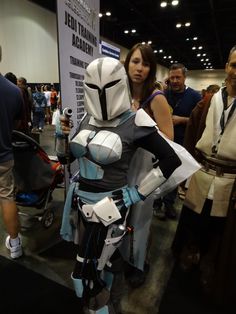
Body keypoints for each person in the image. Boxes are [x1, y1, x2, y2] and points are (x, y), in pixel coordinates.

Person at [57, 57, 181, 314]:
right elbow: (66, 159)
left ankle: (100, 306)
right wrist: (60, 135)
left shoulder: (135, 120)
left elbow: (171, 159)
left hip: (112, 206)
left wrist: (134, 195)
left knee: (85, 272)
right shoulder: (85, 118)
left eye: (108, 86)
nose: (101, 94)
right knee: (105, 260)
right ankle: (109, 300)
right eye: (93, 87)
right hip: (81, 203)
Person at [171, 45, 236, 307]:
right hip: (202, 174)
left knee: (220, 231)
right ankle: (191, 253)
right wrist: (186, 172)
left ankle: (210, 263)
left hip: (230, 183)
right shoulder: (210, 100)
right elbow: (191, 137)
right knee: (193, 221)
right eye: (234, 65)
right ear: (227, 66)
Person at [121, 43, 174, 288]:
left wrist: (142, 126)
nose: (139, 68)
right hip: (120, 164)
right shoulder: (119, 92)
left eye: (145, 63)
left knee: (140, 220)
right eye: (135, 62)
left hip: (144, 168)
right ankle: (122, 256)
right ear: (127, 63)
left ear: (151, 68)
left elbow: (169, 141)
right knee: (120, 216)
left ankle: (138, 264)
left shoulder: (157, 97)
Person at [153, 63, 202, 220]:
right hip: (162, 141)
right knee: (158, 171)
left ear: (184, 77)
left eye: (178, 77)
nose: (174, 80)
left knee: (175, 174)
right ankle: (156, 202)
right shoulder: (163, 94)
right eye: (172, 77)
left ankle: (168, 203)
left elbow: (200, 121)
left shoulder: (195, 96)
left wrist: (182, 120)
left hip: (182, 142)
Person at [0, 47, 24, 259]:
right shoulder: (14, 91)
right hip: (3, 155)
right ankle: (15, 246)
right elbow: (16, 123)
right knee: (6, 197)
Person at [184, 84, 220, 159]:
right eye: (213, 92)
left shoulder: (202, 103)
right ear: (207, 93)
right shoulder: (202, 105)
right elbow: (191, 131)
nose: (213, 95)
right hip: (200, 151)